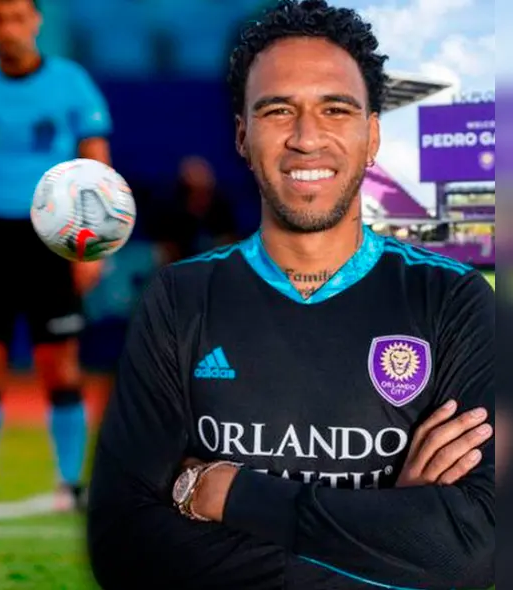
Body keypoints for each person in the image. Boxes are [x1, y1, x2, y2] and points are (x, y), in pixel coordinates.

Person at [85, 1, 494, 588]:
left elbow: (475, 548)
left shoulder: (452, 300)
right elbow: (122, 547)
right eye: (279, 110)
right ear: (242, 136)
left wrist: (224, 493)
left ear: (372, 134)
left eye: (336, 109)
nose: (307, 138)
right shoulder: (180, 298)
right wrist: (392, 540)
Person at [0, 0, 112, 510]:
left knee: (62, 365)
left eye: (18, 18)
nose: (9, 28)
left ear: (37, 23)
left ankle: (70, 483)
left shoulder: (72, 83)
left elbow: (96, 166)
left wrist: (93, 244)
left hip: (53, 237)